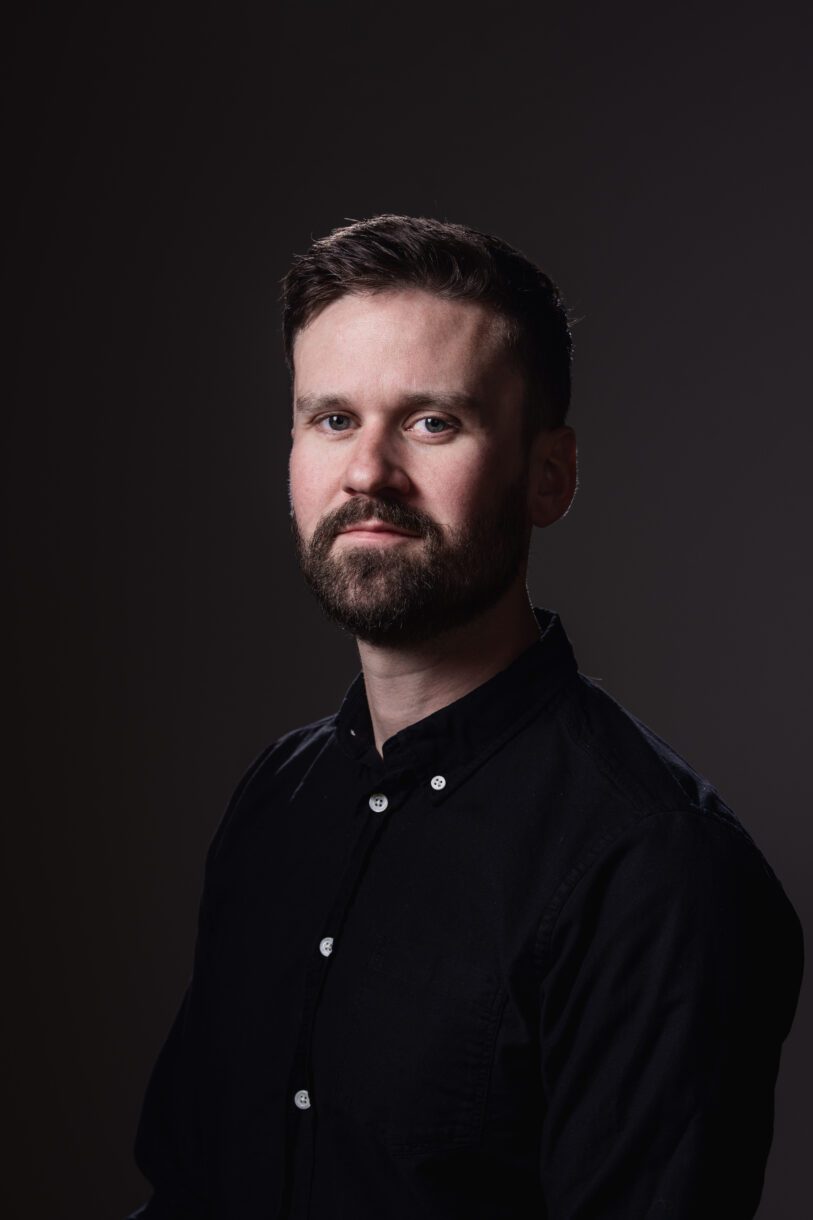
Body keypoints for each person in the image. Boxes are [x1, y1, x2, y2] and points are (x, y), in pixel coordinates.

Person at [129, 215, 803, 1219]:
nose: (368, 471)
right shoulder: (279, 797)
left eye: (432, 422)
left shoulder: (656, 869)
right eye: (332, 418)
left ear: (549, 476)